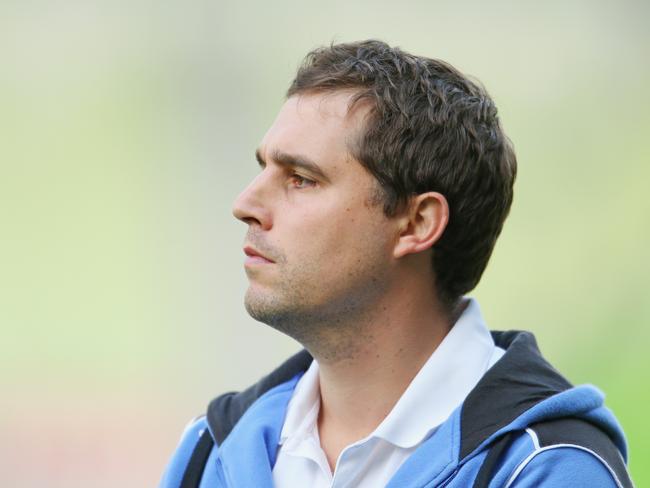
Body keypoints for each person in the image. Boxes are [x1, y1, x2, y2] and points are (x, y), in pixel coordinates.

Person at [160, 40, 632, 487]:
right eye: (263, 168)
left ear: (416, 224)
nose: (245, 203)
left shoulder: (544, 467)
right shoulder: (210, 453)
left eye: (301, 179)